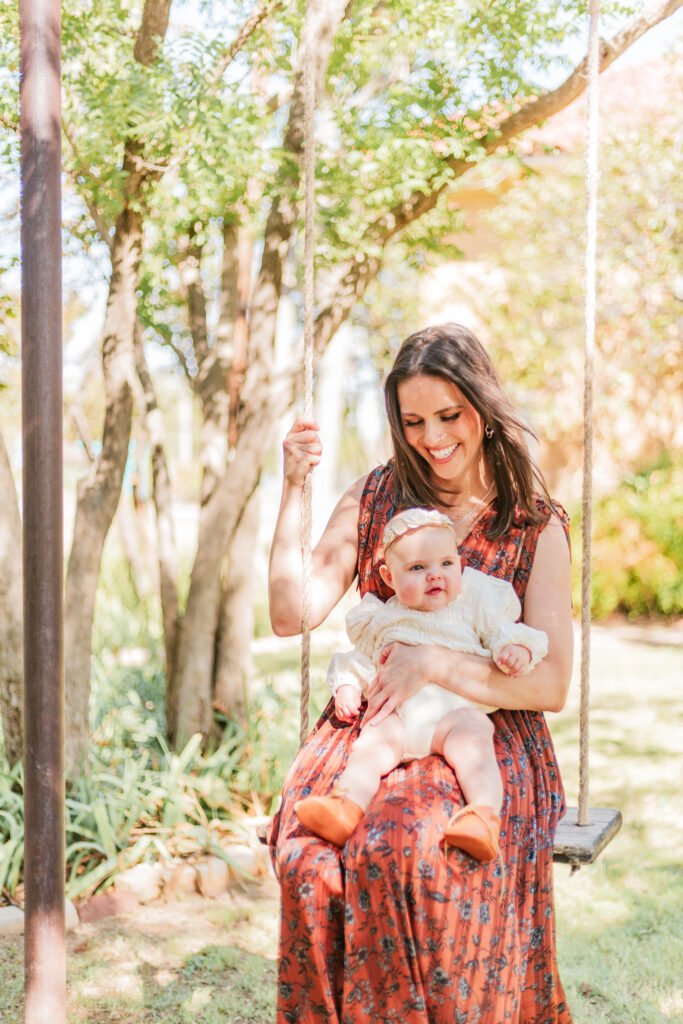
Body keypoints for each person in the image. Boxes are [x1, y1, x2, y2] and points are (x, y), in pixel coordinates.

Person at [267, 323, 574, 1024]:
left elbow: (550, 684)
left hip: (483, 741)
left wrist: (436, 661)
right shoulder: (376, 498)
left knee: (411, 854)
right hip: (374, 730)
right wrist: (292, 488)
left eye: (448, 415)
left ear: (481, 408)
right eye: (412, 421)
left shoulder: (532, 523)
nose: (432, 437)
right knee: (309, 866)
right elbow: (292, 613)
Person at [295, 507, 548, 860]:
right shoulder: (384, 618)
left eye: (446, 563)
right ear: (389, 575)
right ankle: (347, 806)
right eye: (417, 568)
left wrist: (515, 649)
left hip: (455, 713)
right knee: (369, 747)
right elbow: (360, 659)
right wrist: (347, 686)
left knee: (475, 742)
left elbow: (509, 633)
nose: (435, 576)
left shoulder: (472, 607)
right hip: (398, 717)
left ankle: (482, 816)